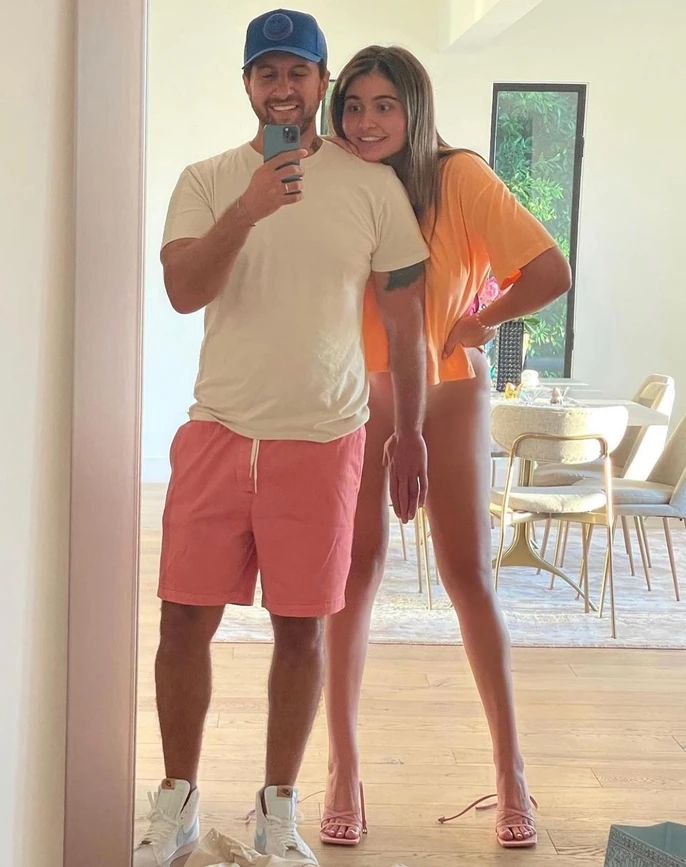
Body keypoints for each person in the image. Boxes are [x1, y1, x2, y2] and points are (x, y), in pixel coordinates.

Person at [134, 14, 431, 867]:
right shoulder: (207, 180)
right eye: (266, 73)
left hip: (325, 438)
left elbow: (405, 322)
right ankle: (177, 804)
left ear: (321, 82)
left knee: (302, 631)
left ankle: (278, 812)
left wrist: (409, 432)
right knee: (183, 619)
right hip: (219, 430)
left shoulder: (371, 186)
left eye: (297, 72)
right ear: (247, 85)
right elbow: (183, 289)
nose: (283, 88)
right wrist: (248, 209)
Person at [320, 46, 572, 850]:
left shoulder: (458, 177)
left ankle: (511, 774)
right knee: (352, 574)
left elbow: (550, 270)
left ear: (415, 109)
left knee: (467, 576)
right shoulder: (339, 180)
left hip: (450, 387)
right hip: (357, 392)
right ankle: (343, 769)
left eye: (384, 105)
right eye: (353, 105)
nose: (366, 121)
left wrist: (481, 321)